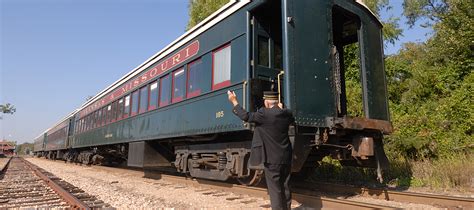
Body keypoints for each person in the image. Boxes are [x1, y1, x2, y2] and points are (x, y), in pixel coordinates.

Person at [227, 90, 294, 210]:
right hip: (286, 156)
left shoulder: (264, 114)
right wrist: (280, 108)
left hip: (272, 158)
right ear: (277, 102)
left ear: (266, 102)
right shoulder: (287, 114)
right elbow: (283, 113)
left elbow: (246, 116)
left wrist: (234, 100)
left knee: (275, 189)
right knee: (286, 186)